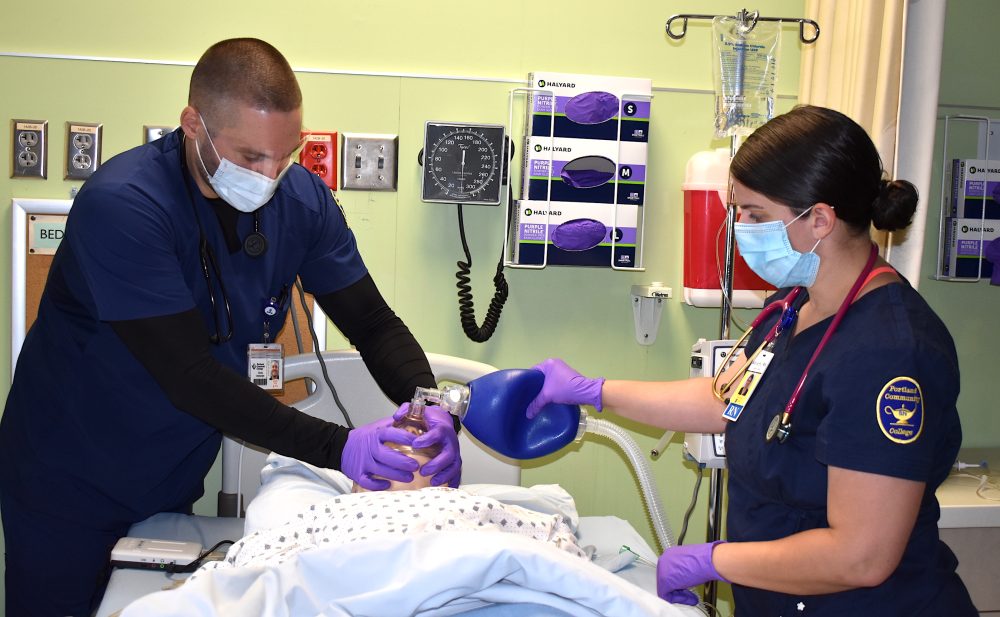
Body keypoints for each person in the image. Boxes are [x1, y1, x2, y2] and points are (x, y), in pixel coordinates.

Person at [0, 38, 460, 617]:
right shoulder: (124, 207)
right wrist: (342, 448)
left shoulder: (302, 202)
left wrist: (430, 400)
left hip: (167, 476)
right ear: (193, 124)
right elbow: (189, 376)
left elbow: (370, 319)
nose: (270, 177)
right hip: (67, 475)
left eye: (285, 155)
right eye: (249, 158)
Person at [526, 106, 977, 615]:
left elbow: (861, 556)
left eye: (755, 215)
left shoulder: (890, 353)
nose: (738, 228)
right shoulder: (793, 304)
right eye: (736, 210)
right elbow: (726, 399)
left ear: (820, 220)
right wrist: (592, 390)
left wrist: (715, 561)